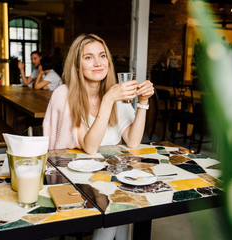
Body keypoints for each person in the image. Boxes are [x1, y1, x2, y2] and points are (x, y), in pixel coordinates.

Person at [42, 33, 154, 240]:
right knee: (119, 204)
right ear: (77, 65)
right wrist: (108, 100)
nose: (98, 63)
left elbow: (133, 140)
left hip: (109, 178)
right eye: (88, 58)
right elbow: (90, 147)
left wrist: (143, 102)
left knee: (123, 201)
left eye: (102, 56)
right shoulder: (65, 95)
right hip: (72, 179)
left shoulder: (115, 94)